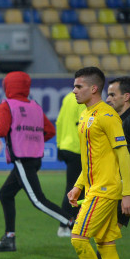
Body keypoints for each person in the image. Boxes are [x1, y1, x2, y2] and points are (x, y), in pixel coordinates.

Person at [0, 71, 74, 252]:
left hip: (22, 159)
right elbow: (50, 131)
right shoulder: (34, 106)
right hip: (35, 158)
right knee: (5, 194)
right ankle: (9, 238)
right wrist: (33, 142)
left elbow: (1, 130)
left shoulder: (7, 105)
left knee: (38, 201)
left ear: (7, 86)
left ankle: (72, 223)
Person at [68, 76, 130, 259]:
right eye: (108, 94)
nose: (108, 98)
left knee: (96, 239)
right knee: (104, 240)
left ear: (126, 96)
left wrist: (127, 192)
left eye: (112, 94)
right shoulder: (112, 118)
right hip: (122, 190)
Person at [55, 92, 86, 237]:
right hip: (78, 149)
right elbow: (84, 125)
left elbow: (59, 122)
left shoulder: (68, 97)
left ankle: (73, 224)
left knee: (77, 188)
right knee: (76, 189)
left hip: (66, 146)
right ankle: (64, 225)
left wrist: (59, 145)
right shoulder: (85, 99)